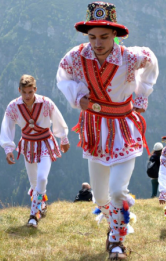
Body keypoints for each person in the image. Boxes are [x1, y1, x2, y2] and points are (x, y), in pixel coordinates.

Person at [56, 2, 159, 259]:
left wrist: (142, 96)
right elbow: (62, 76)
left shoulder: (131, 57)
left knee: (116, 190)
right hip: (93, 129)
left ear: (115, 34)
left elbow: (152, 62)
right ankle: (114, 217)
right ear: (86, 35)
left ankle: (116, 240)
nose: (98, 43)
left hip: (124, 126)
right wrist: (78, 97)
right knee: (101, 195)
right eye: (92, 37)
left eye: (104, 36)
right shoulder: (76, 57)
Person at [0, 74, 70, 228]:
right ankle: (42, 204)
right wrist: (8, 149)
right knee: (33, 182)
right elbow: (7, 127)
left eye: (30, 92)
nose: (27, 96)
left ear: (35, 90)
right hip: (28, 145)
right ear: (19, 90)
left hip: (45, 143)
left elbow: (57, 119)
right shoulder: (13, 107)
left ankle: (34, 215)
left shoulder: (46, 103)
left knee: (42, 178)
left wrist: (63, 139)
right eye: (24, 92)